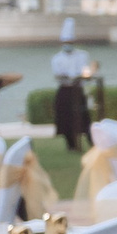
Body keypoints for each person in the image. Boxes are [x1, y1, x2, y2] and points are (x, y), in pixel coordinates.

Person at [49, 19, 92, 153]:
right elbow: (58, 75)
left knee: (84, 117)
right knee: (65, 117)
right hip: (65, 90)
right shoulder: (57, 58)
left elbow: (84, 72)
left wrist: (78, 77)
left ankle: (92, 141)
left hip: (78, 89)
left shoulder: (83, 55)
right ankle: (71, 145)